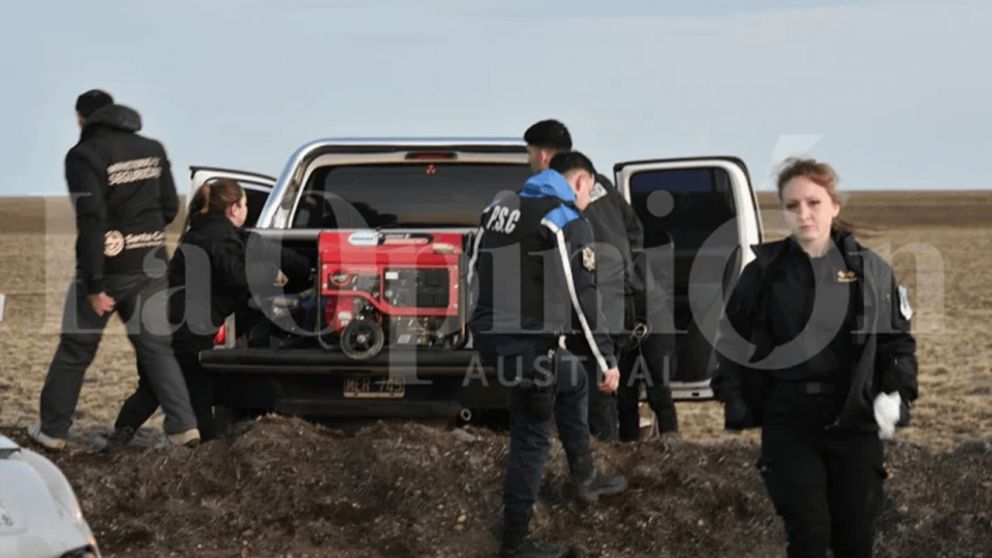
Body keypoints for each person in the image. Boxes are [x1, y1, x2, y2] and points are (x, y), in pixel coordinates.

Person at [712, 157, 918, 557]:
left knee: (854, 539)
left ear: (834, 206)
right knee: (808, 534)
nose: (803, 214)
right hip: (790, 422)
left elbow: (896, 342)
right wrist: (734, 395)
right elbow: (732, 341)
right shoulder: (764, 273)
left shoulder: (871, 272)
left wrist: (896, 393)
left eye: (814, 202)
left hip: (855, 421)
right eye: (792, 205)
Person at [469, 151, 628, 558]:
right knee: (531, 434)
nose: (589, 201)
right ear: (580, 182)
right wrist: (606, 360)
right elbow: (583, 298)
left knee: (572, 378)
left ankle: (585, 478)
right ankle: (515, 541)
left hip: (493, 334)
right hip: (525, 342)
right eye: (590, 192)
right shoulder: (564, 219)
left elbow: (472, 269)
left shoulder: (499, 209)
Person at [27, 90, 200, 450]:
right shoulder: (153, 148)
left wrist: (94, 284)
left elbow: (91, 218)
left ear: (82, 117)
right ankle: (184, 428)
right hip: (151, 263)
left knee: (75, 350)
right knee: (157, 350)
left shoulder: (83, 155)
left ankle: (53, 431)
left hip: (107, 268)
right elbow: (170, 207)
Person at [103, 179, 307, 449]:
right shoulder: (221, 239)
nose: (247, 210)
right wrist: (272, 275)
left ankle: (116, 443)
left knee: (152, 388)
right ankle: (206, 449)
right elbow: (235, 274)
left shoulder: (198, 232)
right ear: (234, 208)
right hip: (186, 330)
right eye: (245, 204)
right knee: (197, 391)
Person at [523, 119, 678, 442]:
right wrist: (629, 275)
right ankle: (649, 451)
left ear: (544, 156)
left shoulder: (550, 200)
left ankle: (610, 454)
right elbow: (634, 232)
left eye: (530, 154)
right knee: (639, 389)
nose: (529, 162)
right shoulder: (601, 184)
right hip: (633, 300)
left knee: (605, 390)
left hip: (598, 307)